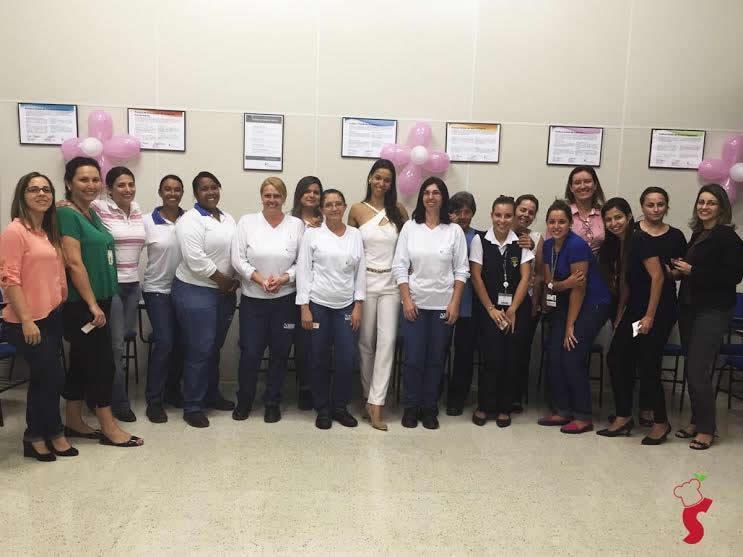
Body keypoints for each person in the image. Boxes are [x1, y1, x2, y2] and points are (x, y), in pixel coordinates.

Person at [57, 157, 142, 447]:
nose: (91, 185)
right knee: (102, 364)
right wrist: (93, 305)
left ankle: (73, 420)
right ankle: (108, 426)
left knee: (80, 363)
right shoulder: (67, 215)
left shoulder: (90, 213)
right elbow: (73, 263)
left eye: (95, 179)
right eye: (83, 179)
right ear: (69, 182)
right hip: (84, 305)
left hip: (102, 300)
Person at [0, 172, 75, 460]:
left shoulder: (46, 231)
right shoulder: (15, 231)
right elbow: (9, 279)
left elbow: (54, 267)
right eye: (34, 190)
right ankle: (35, 436)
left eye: (46, 189)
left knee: (49, 379)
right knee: (49, 377)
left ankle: (52, 432)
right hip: (26, 321)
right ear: (22, 196)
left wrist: (62, 288)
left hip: (51, 316)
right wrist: (28, 319)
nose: (41, 194)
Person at [392, 177, 469, 430]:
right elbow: (400, 266)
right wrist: (406, 300)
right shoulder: (410, 228)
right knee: (413, 359)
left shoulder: (454, 231)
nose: (431, 197)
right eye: (426, 192)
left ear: (443, 198)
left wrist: (455, 303)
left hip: (442, 306)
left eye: (436, 192)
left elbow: (461, 271)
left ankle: (429, 407)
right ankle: (411, 406)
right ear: (421, 198)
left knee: (436, 359)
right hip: (415, 303)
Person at [596, 198, 674, 445]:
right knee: (617, 357)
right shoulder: (619, 244)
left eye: (618, 217)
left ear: (629, 216)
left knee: (648, 364)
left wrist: (649, 316)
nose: (613, 223)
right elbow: (626, 285)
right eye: (608, 219)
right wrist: (620, 314)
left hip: (657, 310)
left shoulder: (640, 239)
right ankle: (623, 416)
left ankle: (661, 423)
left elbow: (658, 277)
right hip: (634, 310)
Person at [673, 184, 743, 450]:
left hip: (712, 310)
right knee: (692, 365)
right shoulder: (699, 233)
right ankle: (696, 420)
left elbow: (732, 277)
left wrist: (693, 270)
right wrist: (680, 272)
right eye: (701, 202)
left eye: (711, 203)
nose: (704, 207)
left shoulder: (728, 238)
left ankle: (706, 429)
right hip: (690, 307)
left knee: (697, 368)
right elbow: (696, 272)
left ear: (722, 207)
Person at [232, 177, 305, 423]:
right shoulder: (246, 222)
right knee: (251, 352)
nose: (272, 200)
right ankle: (244, 401)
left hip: (285, 301)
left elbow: (302, 262)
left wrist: (285, 278)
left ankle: (272, 401)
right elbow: (238, 259)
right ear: (261, 197)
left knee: (280, 352)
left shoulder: (296, 225)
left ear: (284, 198)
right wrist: (259, 279)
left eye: (277, 195)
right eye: (268, 195)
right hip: (254, 300)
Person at [172, 171, 239, 428]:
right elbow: (195, 259)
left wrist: (237, 278)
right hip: (196, 290)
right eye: (204, 189)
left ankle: (211, 395)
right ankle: (192, 405)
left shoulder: (227, 218)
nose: (210, 192)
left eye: (214, 187)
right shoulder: (190, 220)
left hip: (224, 293)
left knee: (214, 347)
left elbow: (236, 250)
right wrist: (224, 281)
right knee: (199, 349)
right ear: (196, 194)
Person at [538, 200, 611, 434]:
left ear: (570, 224)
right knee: (555, 354)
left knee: (572, 355)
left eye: (562, 221)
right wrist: (561, 284)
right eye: (552, 221)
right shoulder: (548, 246)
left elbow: (579, 289)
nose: (556, 225)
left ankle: (583, 415)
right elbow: (549, 283)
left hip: (591, 305)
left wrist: (570, 326)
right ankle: (562, 410)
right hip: (565, 303)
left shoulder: (577, 246)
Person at [296, 189, 365, 430]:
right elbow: (304, 271)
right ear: (322, 209)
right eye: (329, 204)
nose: (334, 208)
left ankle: (340, 407)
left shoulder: (355, 235)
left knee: (346, 359)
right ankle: (322, 408)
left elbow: (361, 272)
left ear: (345, 207)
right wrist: (304, 307)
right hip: (318, 305)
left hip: (346, 306)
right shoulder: (312, 235)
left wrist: (358, 305)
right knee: (319, 358)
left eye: (338, 204)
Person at [348, 159, 408, 431]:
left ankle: (377, 403)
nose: (382, 183)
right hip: (365, 281)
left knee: (388, 341)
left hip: (391, 283)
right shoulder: (357, 210)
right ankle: (365, 395)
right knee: (366, 342)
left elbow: (408, 247)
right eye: (378, 177)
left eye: (387, 179)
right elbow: (347, 246)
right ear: (370, 178)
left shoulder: (399, 211)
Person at [469, 196, 534, 427]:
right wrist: (491, 309)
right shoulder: (480, 241)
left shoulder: (522, 242)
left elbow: (526, 277)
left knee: (511, 358)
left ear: (514, 217)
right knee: (491, 357)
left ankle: (505, 408)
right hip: (490, 310)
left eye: (508, 215)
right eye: (498, 215)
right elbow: (476, 276)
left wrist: (513, 309)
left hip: (516, 310)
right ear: (491, 215)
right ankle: (485, 405)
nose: (503, 220)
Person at [89, 167, 146, 422]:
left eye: (131, 184)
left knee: (118, 344)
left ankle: (98, 397)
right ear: (108, 189)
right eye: (121, 185)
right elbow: (70, 207)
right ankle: (117, 403)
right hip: (110, 286)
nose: (127, 189)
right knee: (116, 348)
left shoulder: (136, 209)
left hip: (132, 286)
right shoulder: (98, 208)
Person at [630, 187, 687, 427]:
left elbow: (681, 271)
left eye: (660, 204)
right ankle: (632, 409)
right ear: (642, 206)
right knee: (635, 356)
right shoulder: (632, 232)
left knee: (651, 358)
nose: (655, 209)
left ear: (666, 206)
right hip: (634, 306)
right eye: (650, 204)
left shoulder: (676, 236)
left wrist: (669, 273)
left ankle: (651, 410)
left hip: (662, 308)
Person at [142, 175, 186, 423]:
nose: (172, 193)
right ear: (160, 192)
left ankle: (172, 391)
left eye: (177, 189)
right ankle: (154, 400)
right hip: (157, 290)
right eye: (167, 189)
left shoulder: (190, 219)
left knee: (181, 343)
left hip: (185, 290)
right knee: (165, 342)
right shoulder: (147, 220)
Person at [444, 192, 481, 416]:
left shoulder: (479, 237)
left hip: (468, 306)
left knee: (464, 354)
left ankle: (457, 398)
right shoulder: (442, 233)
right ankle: (435, 392)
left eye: (467, 211)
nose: (463, 216)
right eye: (458, 211)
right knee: (439, 351)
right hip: (442, 302)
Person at [291, 176, 324, 410]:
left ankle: (314, 386)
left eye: (316, 192)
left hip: (318, 292)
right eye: (307, 191)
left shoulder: (327, 221)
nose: (312, 195)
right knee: (299, 343)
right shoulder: (288, 221)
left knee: (315, 343)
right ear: (299, 194)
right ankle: (302, 387)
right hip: (289, 290)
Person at [511, 194, 544, 411]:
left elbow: (541, 273)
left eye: (531, 212)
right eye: (523, 209)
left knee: (521, 350)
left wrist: (535, 304)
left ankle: (515, 396)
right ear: (515, 209)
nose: (526, 214)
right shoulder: (501, 229)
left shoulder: (538, 237)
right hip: (501, 300)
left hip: (527, 301)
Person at [563, 166, 606, 253]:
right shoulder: (562, 213)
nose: (582, 186)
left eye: (587, 181)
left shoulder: (604, 213)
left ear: (595, 185)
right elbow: (551, 246)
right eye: (577, 183)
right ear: (571, 188)